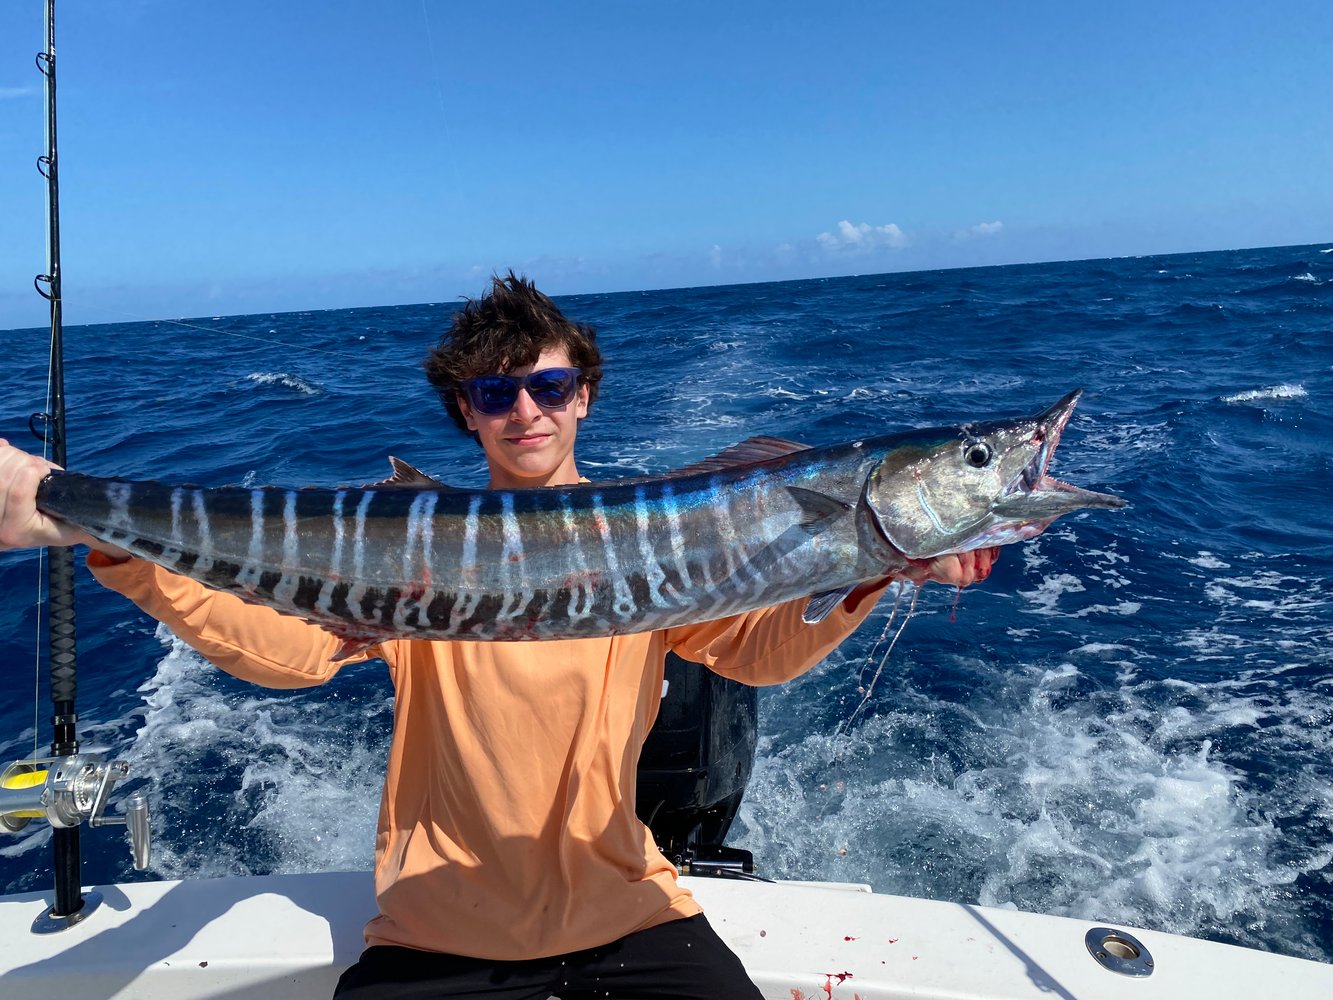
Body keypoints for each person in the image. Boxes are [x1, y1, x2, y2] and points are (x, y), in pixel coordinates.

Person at [0, 273, 997, 999]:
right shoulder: (418, 551)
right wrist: (111, 543)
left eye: (548, 387)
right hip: (437, 937)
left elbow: (760, 652)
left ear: (584, 396)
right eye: (495, 394)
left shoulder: (669, 548)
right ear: (468, 418)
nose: (526, 409)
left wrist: (876, 565)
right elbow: (291, 654)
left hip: (632, 920)